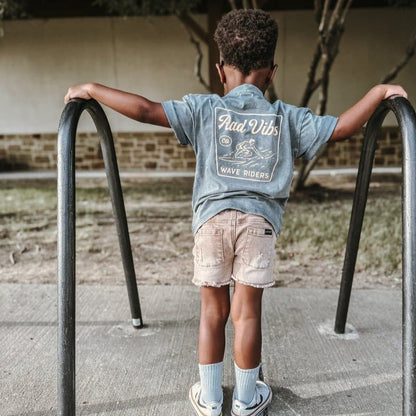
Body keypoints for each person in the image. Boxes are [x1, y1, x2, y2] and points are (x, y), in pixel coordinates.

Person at [65, 9, 407, 416]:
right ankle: (246, 399)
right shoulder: (287, 117)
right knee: (246, 315)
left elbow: (144, 110)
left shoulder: (204, 109)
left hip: (210, 224)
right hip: (258, 228)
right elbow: (343, 128)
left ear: (220, 70)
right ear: (272, 72)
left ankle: (210, 400)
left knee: (213, 312)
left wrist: (91, 88)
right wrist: (380, 91)